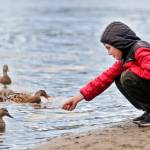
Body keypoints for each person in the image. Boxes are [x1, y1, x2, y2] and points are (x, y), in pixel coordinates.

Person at [62, 21, 150, 127]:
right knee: (117, 77)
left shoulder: (141, 49)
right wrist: (77, 98)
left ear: (119, 43)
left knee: (127, 76)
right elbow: (103, 79)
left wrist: (129, 67)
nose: (108, 53)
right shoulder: (125, 58)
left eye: (109, 48)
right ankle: (148, 111)